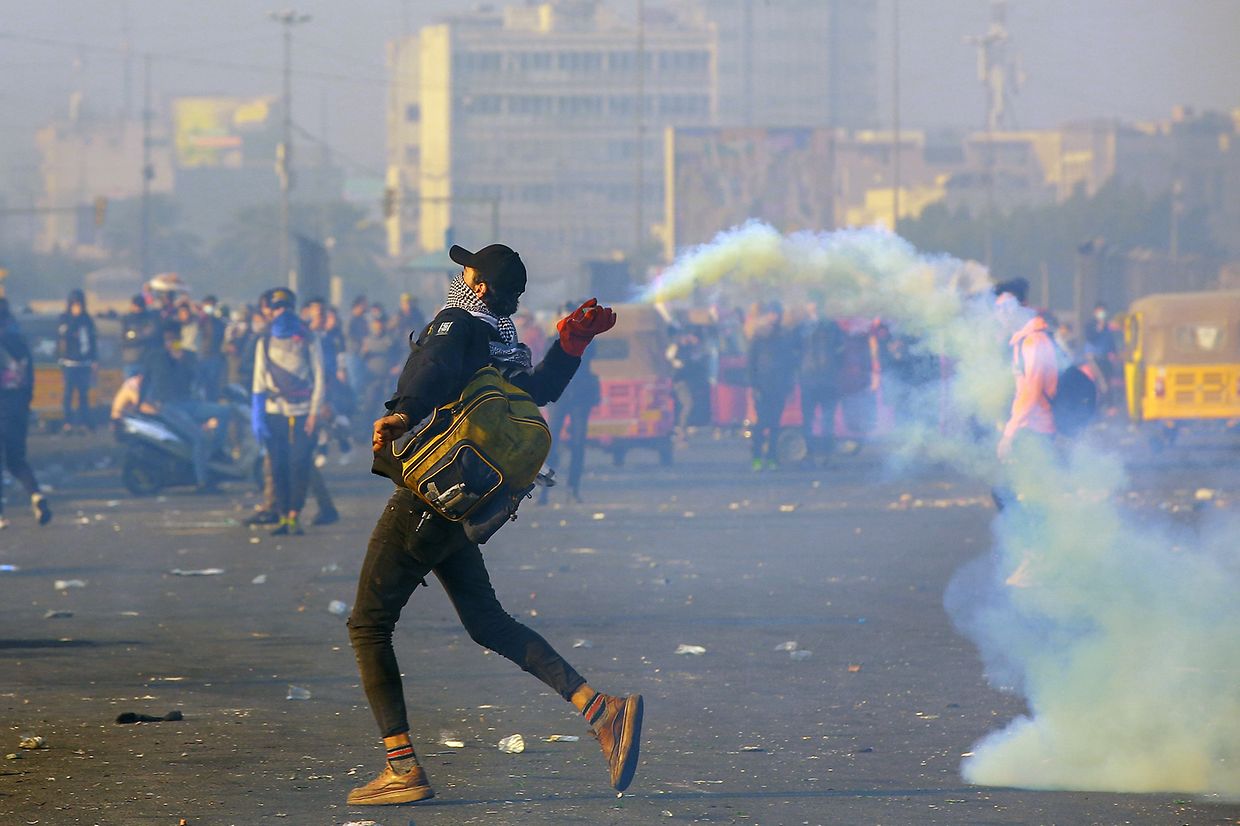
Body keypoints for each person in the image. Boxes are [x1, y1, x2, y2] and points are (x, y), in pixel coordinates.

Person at [347, 242, 640, 806]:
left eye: (467, 270)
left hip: (429, 495)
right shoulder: (505, 340)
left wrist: (402, 411)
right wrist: (571, 346)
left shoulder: (456, 322)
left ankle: (402, 767)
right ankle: (603, 712)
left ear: (477, 285)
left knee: (367, 623)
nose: (460, 275)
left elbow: (431, 371)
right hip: (469, 504)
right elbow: (538, 395)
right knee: (486, 621)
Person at [250, 288, 325, 535]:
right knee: (279, 466)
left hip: (303, 412)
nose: (281, 312)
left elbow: (319, 378)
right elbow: (259, 381)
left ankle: (294, 513)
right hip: (274, 412)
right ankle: (284, 516)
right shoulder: (264, 340)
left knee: (299, 463)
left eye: (285, 307)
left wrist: (314, 413)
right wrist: (257, 416)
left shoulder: (309, 339)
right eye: (277, 308)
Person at [139, 321, 230, 491]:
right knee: (200, 437)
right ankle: (202, 481)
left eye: (175, 339)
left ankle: (215, 451)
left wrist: (182, 362)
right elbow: (145, 382)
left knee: (225, 411)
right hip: (168, 407)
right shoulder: (154, 357)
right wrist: (141, 404)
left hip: (189, 403)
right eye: (168, 339)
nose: (171, 342)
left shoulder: (188, 356)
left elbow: (198, 379)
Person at [0, 298, 52, 528]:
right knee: (16, 459)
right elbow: (29, 378)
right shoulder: (19, 341)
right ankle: (36, 494)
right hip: (18, 408)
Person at [540, 344, 600, 504]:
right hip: (561, 394)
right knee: (552, 442)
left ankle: (572, 488)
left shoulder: (588, 340)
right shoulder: (555, 337)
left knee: (578, 443)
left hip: (577, 394)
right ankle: (546, 490)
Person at [746, 301, 795, 470]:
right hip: (762, 385)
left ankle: (772, 457)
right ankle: (757, 457)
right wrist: (753, 385)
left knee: (775, 424)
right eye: (771, 313)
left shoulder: (785, 336)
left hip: (779, 385)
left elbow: (790, 363)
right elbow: (751, 362)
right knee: (760, 424)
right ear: (767, 315)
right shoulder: (758, 335)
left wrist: (789, 386)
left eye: (777, 313)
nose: (774, 316)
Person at [797, 302, 844, 466]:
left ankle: (826, 457)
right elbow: (794, 352)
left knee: (828, 420)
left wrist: (833, 367)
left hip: (827, 379)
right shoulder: (801, 327)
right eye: (811, 303)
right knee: (808, 420)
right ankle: (808, 455)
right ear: (807, 306)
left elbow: (841, 350)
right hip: (808, 379)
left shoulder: (832, 326)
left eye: (817, 303)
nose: (814, 307)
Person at [57, 289, 98, 431]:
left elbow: (92, 340)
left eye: (79, 304)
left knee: (83, 394)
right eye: (74, 304)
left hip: (85, 362)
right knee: (68, 394)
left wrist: (94, 359)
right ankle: (67, 421)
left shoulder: (87, 319)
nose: (77, 306)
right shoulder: (65, 318)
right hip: (69, 363)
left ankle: (83, 422)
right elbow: (63, 335)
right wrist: (74, 319)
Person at [120, 294, 159, 379]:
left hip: (146, 360)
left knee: (146, 389)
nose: (138, 308)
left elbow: (151, 333)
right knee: (130, 390)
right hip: (131, 360)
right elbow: (123, 338)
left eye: (140, 306)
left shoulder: (149, 318)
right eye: (136, 305)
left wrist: (134, 335)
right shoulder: (126, 319)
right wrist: (140, 334)